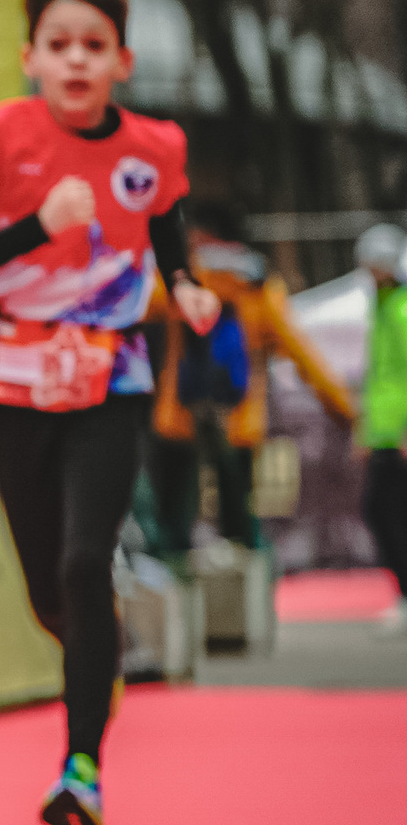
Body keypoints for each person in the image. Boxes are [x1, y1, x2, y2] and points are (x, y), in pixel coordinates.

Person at [0, 0, 220, 825]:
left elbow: (166, 227)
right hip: (16, 379)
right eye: (59, 45)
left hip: (110, 376)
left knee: (88, 558)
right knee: (51, 592)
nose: (77, 61)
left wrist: (187, 285)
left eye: (94, 45)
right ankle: (94, 653)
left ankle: (80, 770)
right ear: (31, 57)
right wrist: (37, 227)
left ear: (122, 62)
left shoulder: (154, 147)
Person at [146, 205, 354, 564]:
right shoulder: (256, 284)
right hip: (238, 419)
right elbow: (301, 351)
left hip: (181, 415)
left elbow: (141, 303)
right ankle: (245, 591)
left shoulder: (183, 279)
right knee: (239, 514)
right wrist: (343, 407)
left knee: (174, 518)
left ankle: (175, 587)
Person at [356, 224, 407, 631]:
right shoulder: (383, 307)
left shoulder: (402, 309)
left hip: (399, 432)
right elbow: (377, 377)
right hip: (385, 431)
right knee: (380, 510)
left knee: (387, 511)